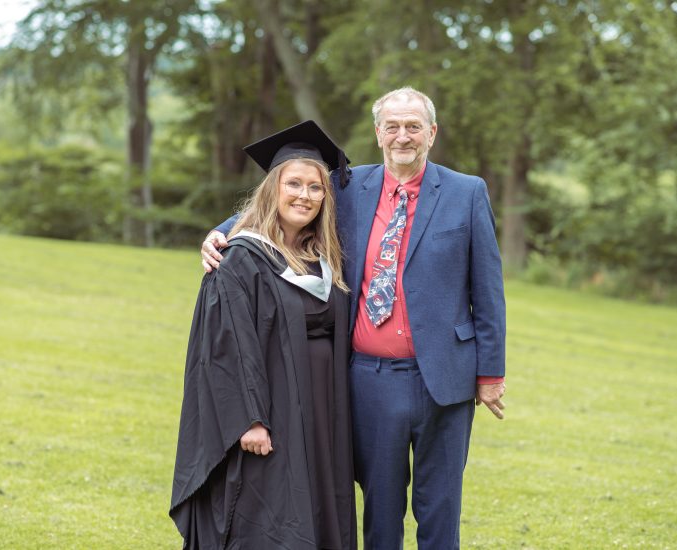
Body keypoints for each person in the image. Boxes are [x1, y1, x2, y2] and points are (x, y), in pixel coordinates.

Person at [202, 87, 507, 549]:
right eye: (392, 126)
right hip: (369, 378)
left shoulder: (466, 192)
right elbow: (281, 202)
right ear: (378, 133)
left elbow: (488, 290)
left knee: (440, 507)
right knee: (380, 509)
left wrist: (491, 373)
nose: (402, 136)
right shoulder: (348, 187)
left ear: (431, 133)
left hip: (445, 378)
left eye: (413, 126)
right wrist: (220, 231)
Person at [170, 120, 357, 550]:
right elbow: (226, 349)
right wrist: (250, 420)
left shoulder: (321, 258)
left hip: (319, 410)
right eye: (294, 184)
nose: (304, 195)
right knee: (270, 512)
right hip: (269, 411)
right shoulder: (239, 259)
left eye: (315, 187)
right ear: (273, 189)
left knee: (316, 502)